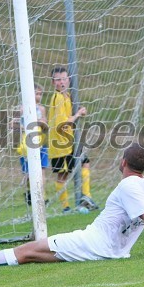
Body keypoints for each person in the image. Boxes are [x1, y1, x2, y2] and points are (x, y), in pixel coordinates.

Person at [0, 143, 144, 269]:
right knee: (32, 255)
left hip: (92, 243)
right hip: (111, 250)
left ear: (123, 162)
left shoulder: (128, 186)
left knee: (27, 250)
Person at [48, 66, 96, 213]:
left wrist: (78, 111)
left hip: (70, 141)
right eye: (57, 79)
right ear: (52, 82)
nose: (61, 82)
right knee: (62, 175)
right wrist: (78, 115)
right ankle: (66, 207)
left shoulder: (67, 96)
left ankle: (86, 196)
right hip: (60, 143)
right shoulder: (58, 98)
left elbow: (70, 116)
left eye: (63, 78)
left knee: (85, 162)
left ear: (69, 80)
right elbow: (63, 124)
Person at [15, 84, 49, 206]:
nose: (39, 96)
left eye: (40, 94)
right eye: (36, 93)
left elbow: (45, 123)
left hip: (41, 140)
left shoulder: (41, 109)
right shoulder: (22, 109)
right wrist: (24, 127)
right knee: (28, 173)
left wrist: (42, 123)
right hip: (26, 142)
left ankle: (42, 196)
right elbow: (13, 123)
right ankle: (30, 192)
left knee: (42, 170)